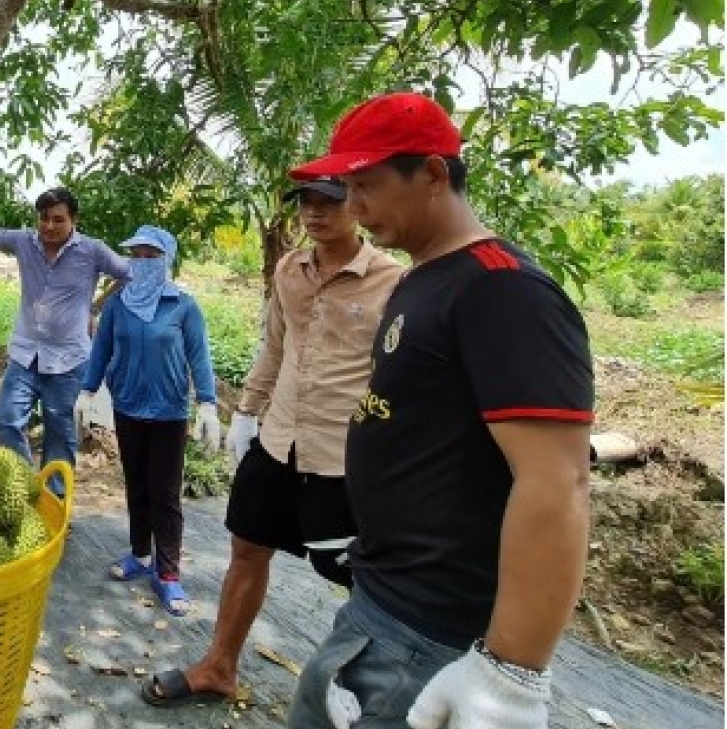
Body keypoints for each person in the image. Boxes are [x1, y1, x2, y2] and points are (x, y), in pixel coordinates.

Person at [282, 92, 594, 729]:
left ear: (431, 173)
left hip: (430, 634)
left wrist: (510, 673)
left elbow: (558, 482)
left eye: (366, 186)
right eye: (349, 186)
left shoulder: (501, 290)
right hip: (382, 600)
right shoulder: (423, 278)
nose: (355, 207)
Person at [141, 177, 401, 705]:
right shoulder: (290, 270)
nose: (314, 213)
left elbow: (400, 377)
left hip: (342, 457)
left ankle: (369, 697)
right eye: (305, 202)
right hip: (279, 441)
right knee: (247, 547)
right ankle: (219, 666)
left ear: (356, 204)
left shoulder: (393, 283)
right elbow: (274, 349)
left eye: (328, 202)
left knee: (359, 578)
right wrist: (246, 413)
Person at [0, 155, 130, 495]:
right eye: (43, 218)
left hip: (70, 361)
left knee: (61, 436)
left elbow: (130, 274)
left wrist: (97, 305)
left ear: (73, 219)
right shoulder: (24, 242)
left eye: (58, 219)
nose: (49, 226)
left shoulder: (92, 251)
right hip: (26, 355)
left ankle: (56, 502)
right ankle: (24, 491)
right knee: (6, 421)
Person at [77, 225, 221, 616]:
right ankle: (140, 554)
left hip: (169, 411)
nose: (141, 263)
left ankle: (169, 573)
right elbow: (101, 349)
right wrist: (87, 392)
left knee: (165, 493)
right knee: (137, 485)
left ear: (165, 260)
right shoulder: (119, 305)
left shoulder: (182, 306)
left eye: (150, 256)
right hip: (127, 406)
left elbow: (199, 355)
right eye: (136, 255)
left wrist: (207, 403)